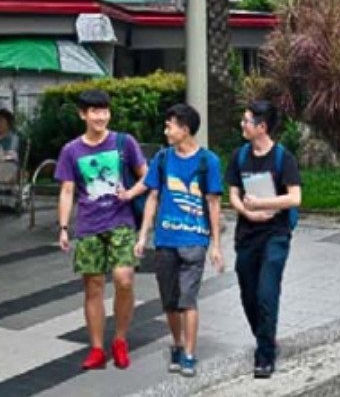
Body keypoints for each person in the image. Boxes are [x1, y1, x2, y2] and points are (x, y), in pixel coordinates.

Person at [56, 89, 147, 372]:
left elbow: (146, 175)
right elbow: (67, 190)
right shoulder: (71, 150)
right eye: (94, 111)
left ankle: (119, 340)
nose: (101, 116)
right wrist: (63, 227)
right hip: (89, 225)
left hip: (121, 221)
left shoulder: (124, 142)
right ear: (83, 114)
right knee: (93, 287)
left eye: (104, 110)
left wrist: (130, 193)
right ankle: (97, 348)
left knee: (124, 279)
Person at [134, 103, 224, 378]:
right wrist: (142, 236)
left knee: (188, 300)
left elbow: (213, 204)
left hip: (194, 240)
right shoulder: (162, 159)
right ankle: (177, 343)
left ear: (184, 129)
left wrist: (216, 246)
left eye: (170, 125)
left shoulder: (208, 161)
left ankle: (189, 353)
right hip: (165, 240)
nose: (166, 130)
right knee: (170, 302)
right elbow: (152, 197)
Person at [226, 100, 302, 380]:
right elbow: (233, 193)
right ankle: (266, 336)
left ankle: (265, 355)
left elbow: (295, 197)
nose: (242, 125)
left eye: (247, 121)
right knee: (248, 295)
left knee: (266, 293)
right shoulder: (239, 156)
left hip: (276, 234)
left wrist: (264, 203)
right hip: (247, 234)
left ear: (262, 127)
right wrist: (247, 209)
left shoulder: (283, 158)